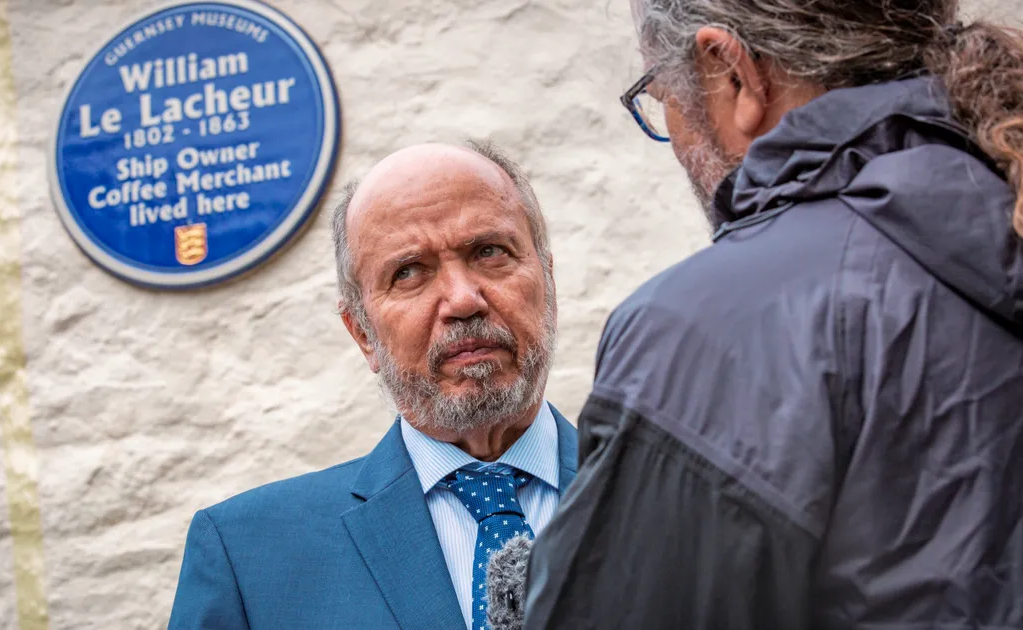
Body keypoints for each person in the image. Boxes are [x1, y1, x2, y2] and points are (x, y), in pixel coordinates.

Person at [525, 1, 1023, 628]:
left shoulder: (713, 327)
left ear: (730, 73)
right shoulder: (996, 218)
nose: (674, 135)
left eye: (661, 95)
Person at [167, 141, 577, 630]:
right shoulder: (246, 557)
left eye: (489, 252)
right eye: (408, 272)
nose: (463, 300)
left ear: (548, 284)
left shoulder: (660, 496)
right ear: (362, 332)